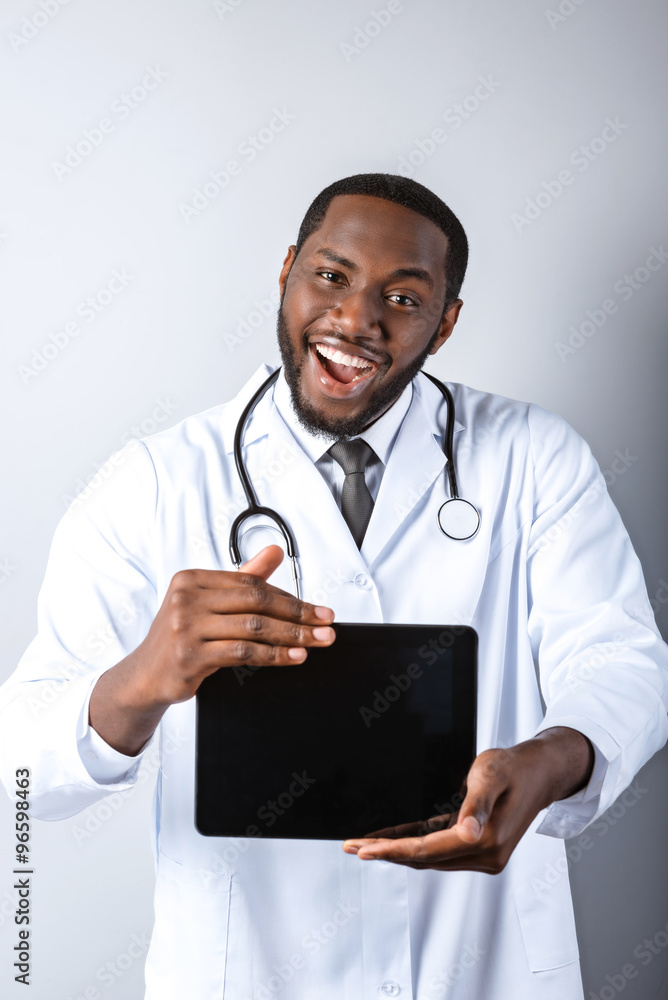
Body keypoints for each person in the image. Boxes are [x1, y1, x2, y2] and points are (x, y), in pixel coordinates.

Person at [1, 173, 666, 1000]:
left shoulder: (533, 457)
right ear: (286, 272)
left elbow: (621, 662)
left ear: (445, 323)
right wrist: (140, 681)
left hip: (483, 970)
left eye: (403, 297)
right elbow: (18, 772)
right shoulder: (155, 482)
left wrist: (552, 758)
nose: (355, 319)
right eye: (331, 276)